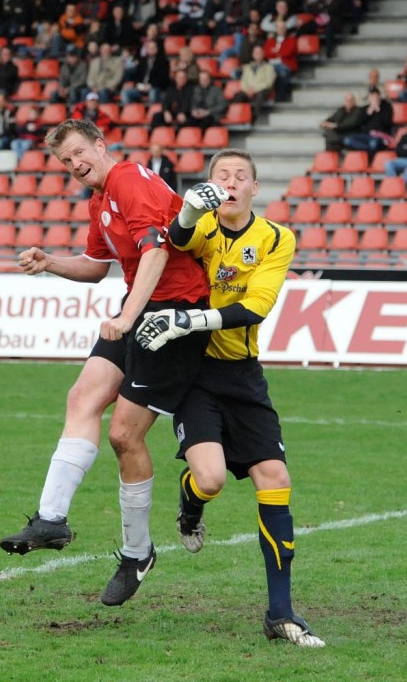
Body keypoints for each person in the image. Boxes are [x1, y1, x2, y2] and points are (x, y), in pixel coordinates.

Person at [0, 119, 213, 610]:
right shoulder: (101, 199)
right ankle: (51, 518)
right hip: (141, 309)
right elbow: (97, 267)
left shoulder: (130, 180)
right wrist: (49, 262)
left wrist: (129, 317)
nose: (75, 165)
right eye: (65, 162)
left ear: (100, 145)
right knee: (82, 397)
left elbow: (156, 252)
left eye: (78, 153)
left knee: (124, 435)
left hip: (175, 316)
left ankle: (138, 553)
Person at [135, 149, 325, 648]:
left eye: (241, 176)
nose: (232, 182)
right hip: (194, 372)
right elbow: (174, 242)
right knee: (211, 478)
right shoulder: (202, 226)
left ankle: (280, 614)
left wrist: (188, 320)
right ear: (211, 185)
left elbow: (255, 308)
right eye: (222, 175)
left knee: (275, 477)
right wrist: (187, 213)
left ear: (255, 189)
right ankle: (191, 503)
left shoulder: (277, 238)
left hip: (243, 376)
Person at [342, 87, 393, 157]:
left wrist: (378, 110)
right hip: (365, 136)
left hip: (379, 136)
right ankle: (367, 149)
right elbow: (358, 123)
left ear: (379, 97)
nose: (374, 99)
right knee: (347, 140)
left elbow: (387, 123)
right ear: (369, 98)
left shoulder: (386, 108)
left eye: (376, 96)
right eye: (372, 97)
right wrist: (368, 113)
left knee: (373, 143)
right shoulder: (364, 109)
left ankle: (368, 156)